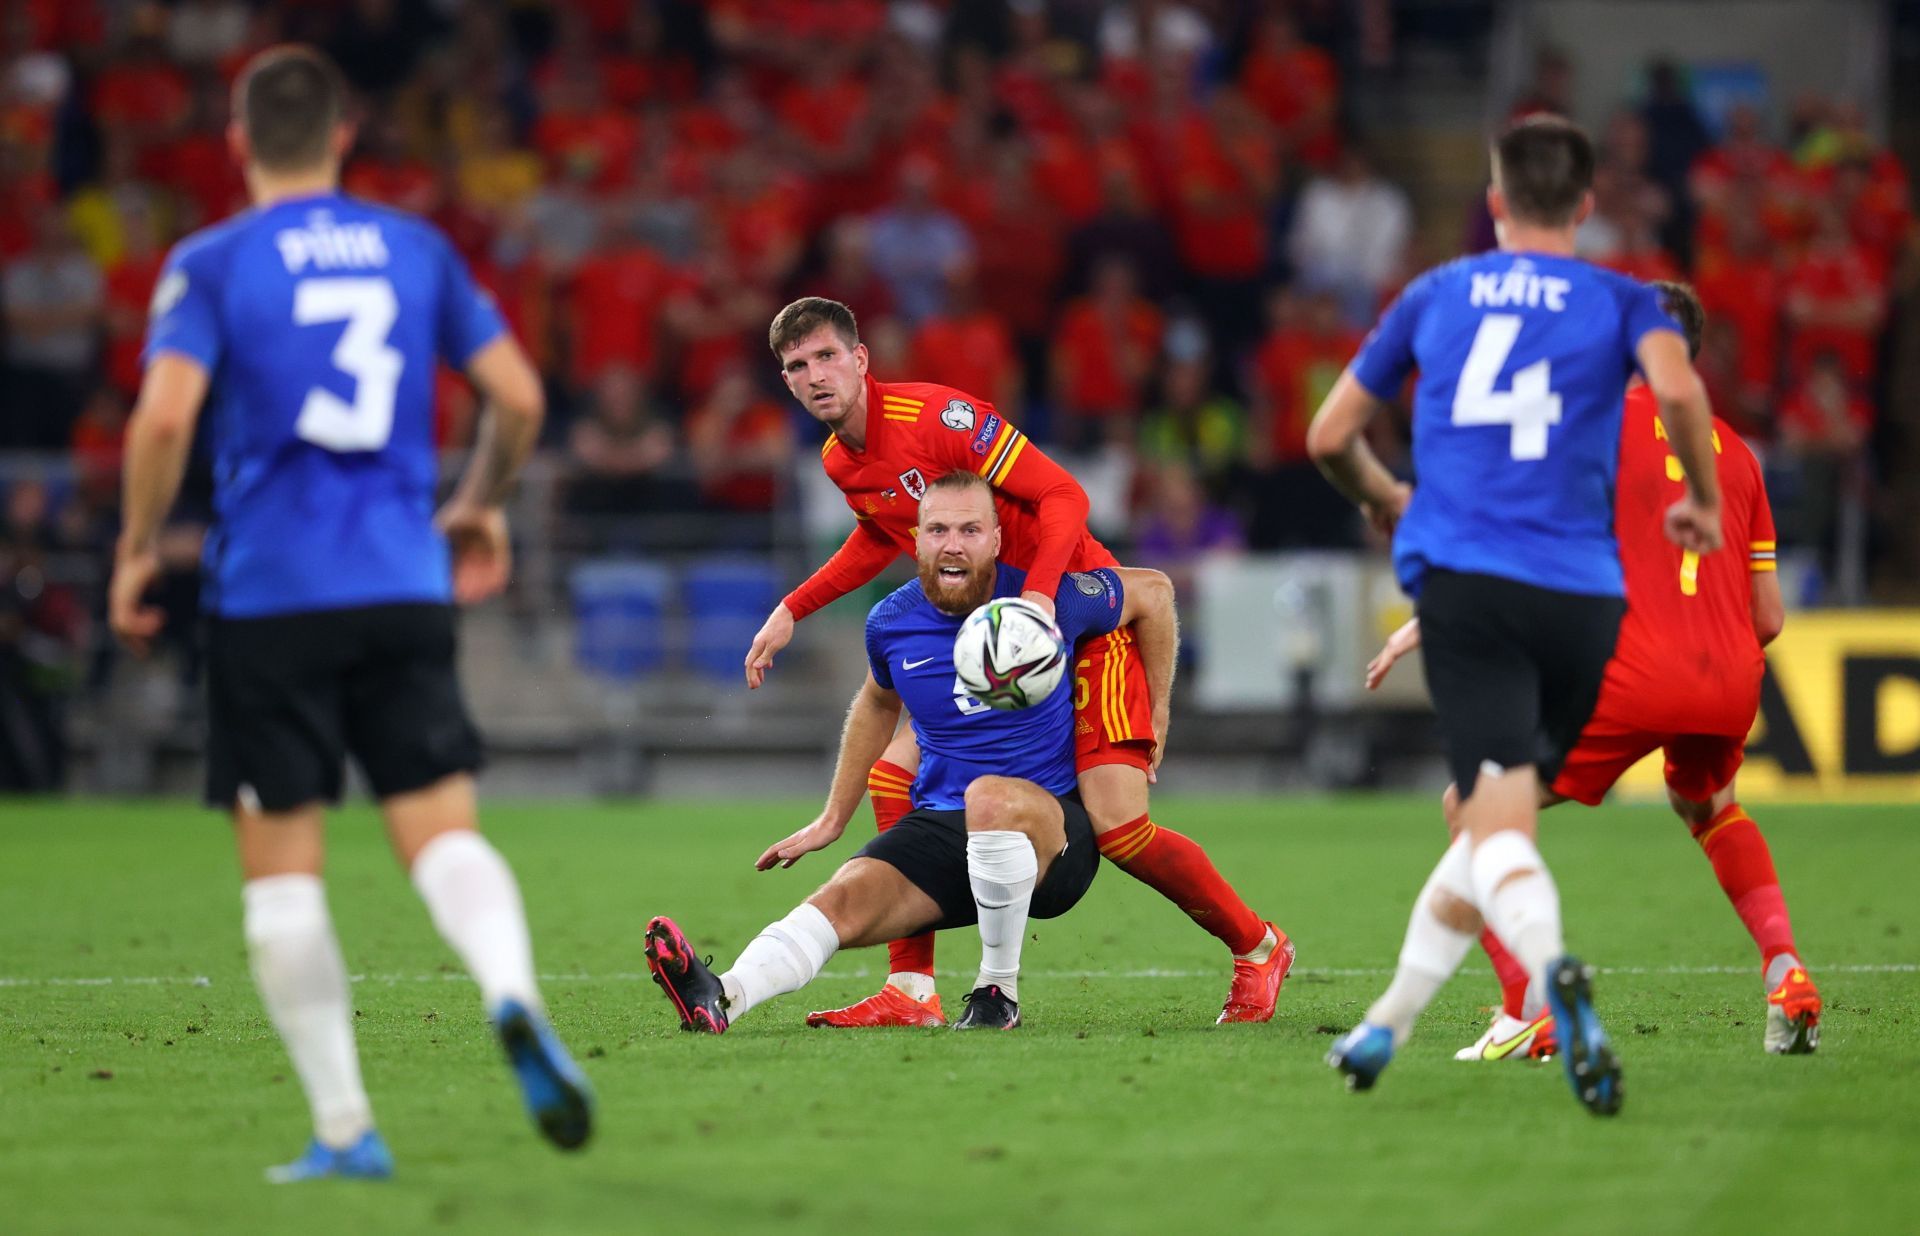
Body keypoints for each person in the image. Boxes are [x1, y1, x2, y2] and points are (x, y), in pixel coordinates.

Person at [106, 46, 591, 1182]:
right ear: (341, 137)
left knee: (283, 874)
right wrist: (474, 506)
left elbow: (164, 421)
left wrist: (136, 549)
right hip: (402, 581)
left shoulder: (212, 260)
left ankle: (344, 1131)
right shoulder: (415, 249)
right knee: (443, 834)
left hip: (271, 596)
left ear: (239, 143)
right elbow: (517, 396)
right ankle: (512, 995)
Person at [1307, 115, 1723, 1116]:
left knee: (1491, 817)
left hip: (1469, 582)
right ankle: (1388, 1025)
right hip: (1584, 598)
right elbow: (1679, 393)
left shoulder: (1435, 294)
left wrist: (1378, 493)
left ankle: (1548, 974)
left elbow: (1329, 433)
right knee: (1494, 819)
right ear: (1585, 206)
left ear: (1494, 203)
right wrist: (1701, 500)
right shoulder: (1629, 299)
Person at [743, 296, 1291, 1029]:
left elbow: (1063, 493)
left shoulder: (940, 420)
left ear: (860, 359)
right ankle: (912, 991)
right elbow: (883, 534)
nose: (814, 376)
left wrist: (1035, 603)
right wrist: (792, 608)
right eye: (796, 366)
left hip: (1071, 618)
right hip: (987, 629)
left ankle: (1258, 947)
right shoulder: (842, 458)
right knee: (891, 772)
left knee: (1121, 829)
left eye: (826, 357)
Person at [1365, 283, 1820, 1060]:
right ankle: (1786, 971)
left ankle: (1524, 1009)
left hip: (1635, 670)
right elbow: (1770, 615)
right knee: (1711, 806)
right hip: (1731, 676)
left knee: (1471, 803)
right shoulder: (1738, 453)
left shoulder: (1595, 427)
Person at [645, 471, 1173, 1031]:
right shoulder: (890, 622)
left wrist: (1157, 712)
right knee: (844, 896)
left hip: (1056, 840)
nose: (953, 544)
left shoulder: (1046, 603)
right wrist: (832, 818)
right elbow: (877, 704)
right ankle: (722, 994)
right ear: (916, 540)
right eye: (938, 529)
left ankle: (997, 993)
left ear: (996, 539)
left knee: (988, 796)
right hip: (948, 828)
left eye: (970, 530)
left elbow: (1155, 593)